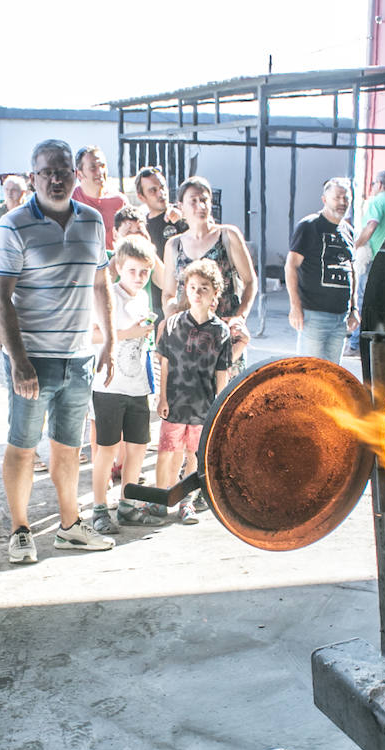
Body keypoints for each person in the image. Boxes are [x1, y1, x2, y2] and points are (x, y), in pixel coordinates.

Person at [0, 138, 116, 563]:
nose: (57, 179)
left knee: (67, 446)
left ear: (75, 174)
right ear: (33, 178)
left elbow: (101, 284)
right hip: (34, 360)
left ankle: (69, 527)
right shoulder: (12, 224)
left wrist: (111, 340)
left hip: (79, 357)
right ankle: (21, 531)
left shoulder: (93, 222)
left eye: (64, 170)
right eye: (48, 172)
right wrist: (18, 360)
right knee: (22, 446)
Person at [90, 236, 163, 533]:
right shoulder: (109, 295)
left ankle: (127, 504)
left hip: (137, 385)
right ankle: (98, 508)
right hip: (109, 386)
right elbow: (93, 336)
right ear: (119, 267)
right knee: (107, 449)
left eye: (144, 272)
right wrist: (131, 332)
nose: (139, 277)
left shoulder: (143, 298)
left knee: (138, 447)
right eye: (132, 271)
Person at [154, 259, 233, 524]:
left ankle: (186, 501)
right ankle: (162, 497)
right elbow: (164, 362)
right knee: (168, 450)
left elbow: (222, 371)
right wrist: (162, 396)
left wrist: (219, 405)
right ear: (185, 290)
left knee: (194, 454)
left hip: (204, 403)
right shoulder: (174, 323)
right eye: (193, 287)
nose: (197, 293)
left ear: (214, 294)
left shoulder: (221, 331)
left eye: (204, 288)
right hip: (175, 400)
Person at [161, 176, 256, 376]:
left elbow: (249, 281)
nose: (200, 206)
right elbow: (168, 293)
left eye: (204, 200)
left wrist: (240, 317)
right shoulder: (174, 245)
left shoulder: (227, 236)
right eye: (193, 201)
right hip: (190, 338)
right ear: (181, 206)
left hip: (225, 332)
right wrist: (175, 320)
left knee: (229, 398)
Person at [286, 178, 358, 362]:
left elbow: (352, 271)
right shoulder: (309, 226)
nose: (342, 202)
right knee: (310, 373)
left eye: (346, 198)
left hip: (341, 318)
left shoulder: (348, 231)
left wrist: (354, 309)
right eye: (337, 197)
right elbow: (291, 265)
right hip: (313, 316)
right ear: (324, 199)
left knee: (332, 376)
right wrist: (295, 306)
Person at [345, 169, 385, 357]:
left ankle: (355, 344)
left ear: (379, 185)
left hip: (373, 260)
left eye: (373, 184)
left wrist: (354, 246)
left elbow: (371, 226)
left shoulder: (377, 202)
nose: (372, 188)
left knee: (363, 301)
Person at [134, 166, 187, 317]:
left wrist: (184, 217)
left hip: (183, 301)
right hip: (154, 303)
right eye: (153, 190)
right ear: (141, 197)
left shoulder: (179, 216)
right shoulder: (142, 226)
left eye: (162, 187)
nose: (161, 194)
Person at [71, 145, 127, 249]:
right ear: (79, 174)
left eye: (102, 166)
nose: (100, 172)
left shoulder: (119, 201)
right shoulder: (70, 202)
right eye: (93, 168)